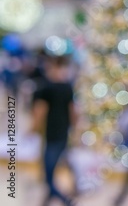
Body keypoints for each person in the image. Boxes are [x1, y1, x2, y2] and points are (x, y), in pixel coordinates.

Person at [31, 55, 77, 206]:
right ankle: (49, 199)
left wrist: (32, 129)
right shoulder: (67, 87)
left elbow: (40, 111)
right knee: (52, 170)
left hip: (51, 135)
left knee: (48, 174)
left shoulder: (45, 88)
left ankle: (65, 200)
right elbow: (73, 113)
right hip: (62, 134)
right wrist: (75, 129)